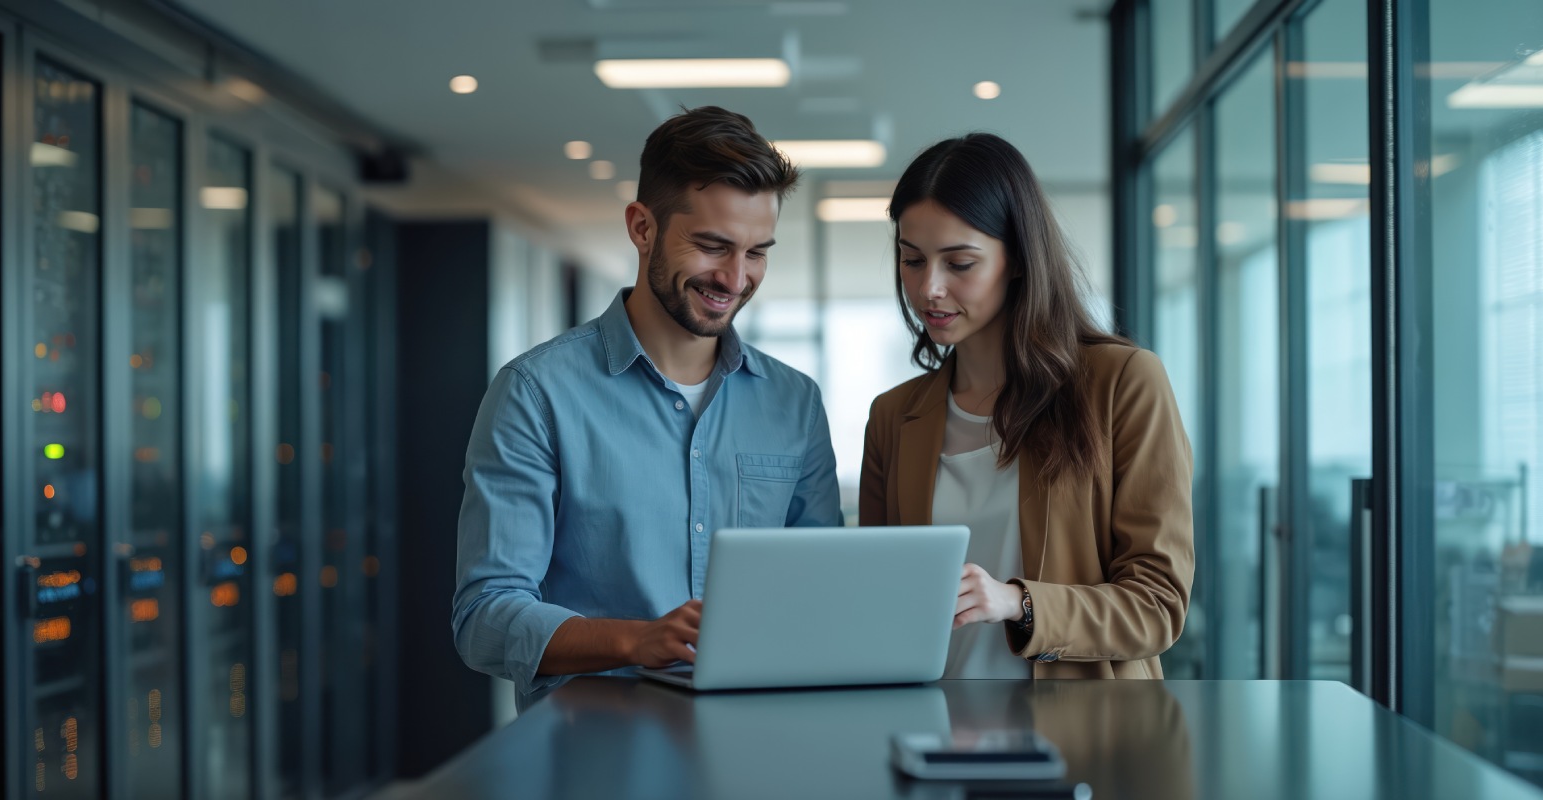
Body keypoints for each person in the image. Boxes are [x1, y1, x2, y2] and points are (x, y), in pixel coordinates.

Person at [453, 106, 842, 710]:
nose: (736, 278)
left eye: (757, 252)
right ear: (642, 228)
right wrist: (640, 640)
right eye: (713, 246)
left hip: (756, 745)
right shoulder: (536, 393)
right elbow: (485, 617)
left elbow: (821, 593)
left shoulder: (794, 403)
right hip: (594, 756)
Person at [859, 133, 1193, 679]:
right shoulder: (894, 417)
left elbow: (1158, 605)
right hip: (934, 736)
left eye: (959, 263)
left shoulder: (1124, 384)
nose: (930, 289)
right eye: (912, 260)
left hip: (1085, 741)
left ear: (1017, 259)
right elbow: (876, 601)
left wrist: (1019, 603)